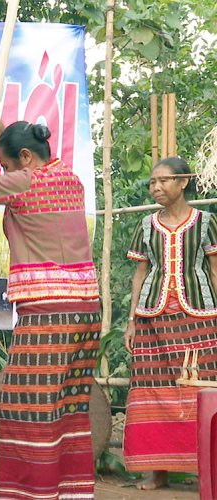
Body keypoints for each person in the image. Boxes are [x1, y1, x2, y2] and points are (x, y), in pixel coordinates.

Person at [0, 119, 101, 499]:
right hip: (84, 310)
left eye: (5, 165)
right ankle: (68, 491)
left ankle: (33, 492)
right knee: (66, 408)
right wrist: (3, 135)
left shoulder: (26, 181)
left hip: (49, 312)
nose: (3, 174)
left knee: (27, 407)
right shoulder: (70, 179)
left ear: (25, 158)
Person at [123, 157, 217, 490]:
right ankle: (157, 470)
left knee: (201, 390)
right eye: (152, 182)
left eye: (163, 181)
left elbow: (215, 271)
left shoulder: (206, 223)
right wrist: (132, 321)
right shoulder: (147, 225)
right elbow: (140, 274)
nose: (156, 187)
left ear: (183, 182)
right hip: (153, 320)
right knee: (152, 390)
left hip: (199, 317)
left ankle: (201, 464)